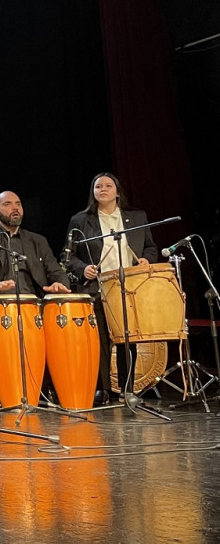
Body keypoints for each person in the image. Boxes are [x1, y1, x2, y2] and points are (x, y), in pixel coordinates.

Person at [65, 172, 159, 401]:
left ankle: (128, 389)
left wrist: (146, 260)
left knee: (127, 337)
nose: (103, 189)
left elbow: (150, 248)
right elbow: (68, 257)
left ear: (118, 191)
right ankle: (103, 390)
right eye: (98, 186)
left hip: (129, 287)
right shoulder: (80, 220)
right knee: (101, 341)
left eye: (108, 185)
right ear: (93, 192)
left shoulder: (137, 217)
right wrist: (83, 268)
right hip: (97, 287)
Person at [0, 191, 71, 314]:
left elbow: (55, 271)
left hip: (35, 306)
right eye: (7, 204)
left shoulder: (37, 240)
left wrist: (59, 284)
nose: (15, 208)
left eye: (18, 204)